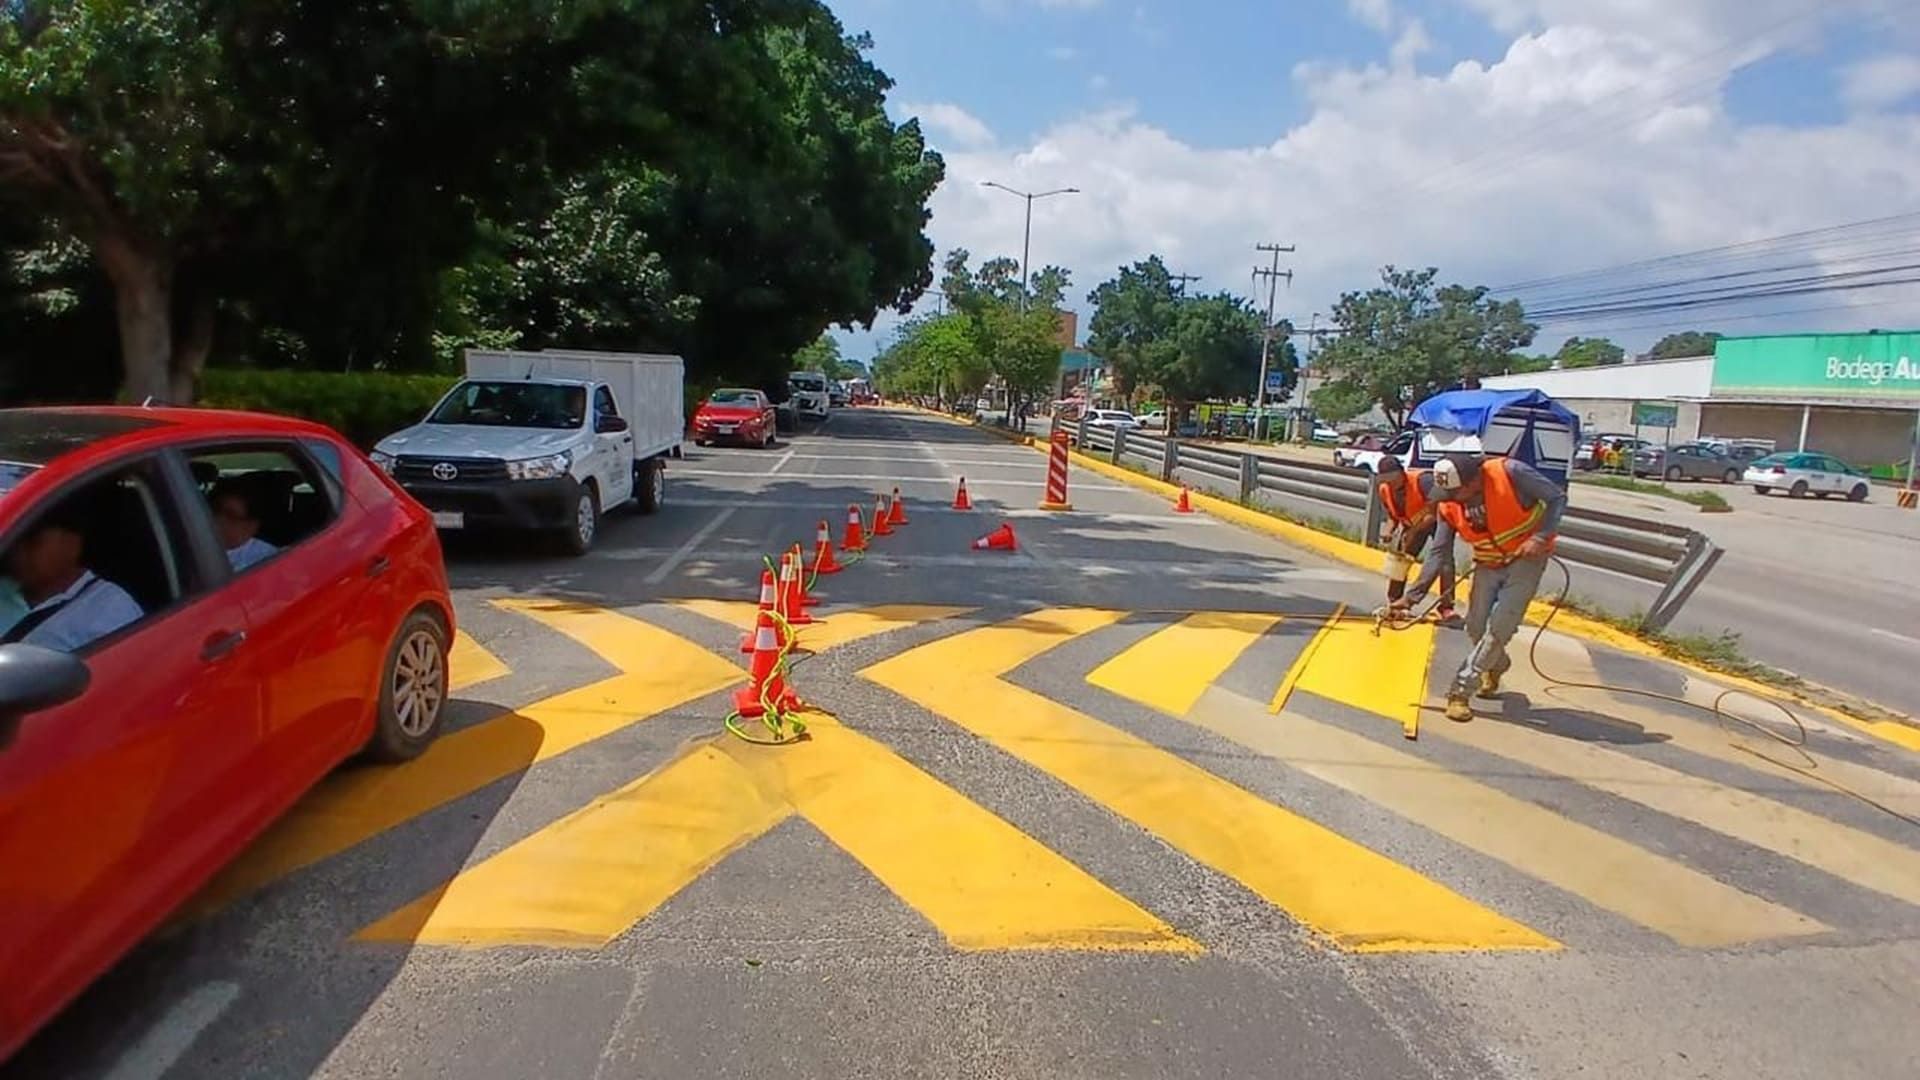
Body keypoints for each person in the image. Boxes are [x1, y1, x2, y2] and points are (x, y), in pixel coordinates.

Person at [1423, 453, 1567, 722]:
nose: (1452, 498)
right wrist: (1411, 598)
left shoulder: (1512, 471)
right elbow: (1439, 551)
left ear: (1474, 481)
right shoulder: (1449, 503)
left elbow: (1557, 498)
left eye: (1456, 491)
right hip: (1488, 563)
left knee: (1500, 626)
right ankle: (1497, 664)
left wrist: (1540, 536)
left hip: (1526, 560)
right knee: (1475, 625)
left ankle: (1460, 691)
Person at [1, 504, 142, 651]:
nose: (17, 553)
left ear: (72, 543)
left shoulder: (112, 609)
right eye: (16, 540)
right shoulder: (4, 590)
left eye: (32, 542)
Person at [1375, 457, 1458, 623]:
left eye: (1393, 479)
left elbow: (1434, 510)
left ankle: (1446, 607)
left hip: (1437, 522)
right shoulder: (1384, 489)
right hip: (1412, 524)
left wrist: (1413, 531)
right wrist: (1389, 530)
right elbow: (1393, 516)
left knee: (1445, 562)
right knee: (1400, 561)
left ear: (1401, 473)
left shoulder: (1422, 481)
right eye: (1385, 480)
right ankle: (1395, 601)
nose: (1390, 483)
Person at [210, 479, 278, 570]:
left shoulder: (267, 559)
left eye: (230, 516)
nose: (218, 520)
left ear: (252, 526)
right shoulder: (191, 542)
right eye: (215, 510)